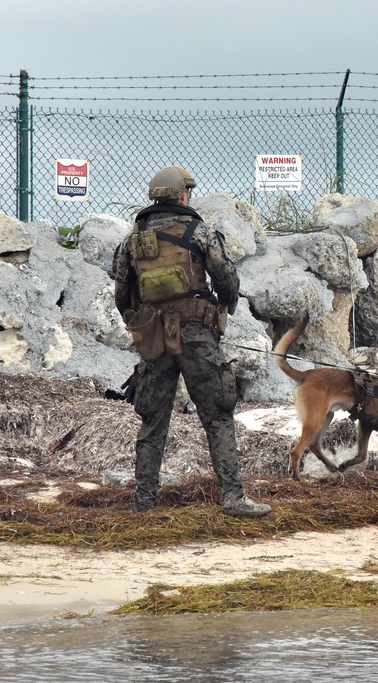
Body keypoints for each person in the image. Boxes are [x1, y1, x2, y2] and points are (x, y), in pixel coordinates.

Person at [110, 166, 270, 518]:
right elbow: (227, 280)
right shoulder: (201, 232)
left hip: (155, 342)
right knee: (218, 415)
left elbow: (122, 294)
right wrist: (225, 307)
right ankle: (233, 497)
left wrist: (144, 325)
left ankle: (143, 502)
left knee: (153, 422)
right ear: (183, 195)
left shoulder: (132, 240)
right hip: (198, 336)